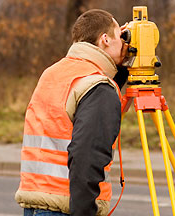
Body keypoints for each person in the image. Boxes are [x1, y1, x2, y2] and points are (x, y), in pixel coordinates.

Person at [15, 9, 129, 216]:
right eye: (119, 37)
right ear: (105, 39)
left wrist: (118, 75)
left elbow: (68, 124)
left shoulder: (53, 73)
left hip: (35, 203)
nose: (124, 43)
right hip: (68, 207)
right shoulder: (97, 87)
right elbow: (87, 153)